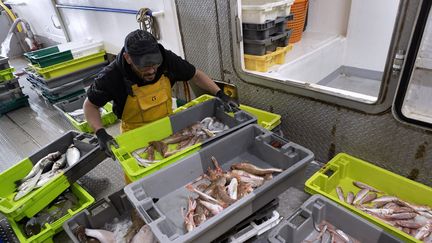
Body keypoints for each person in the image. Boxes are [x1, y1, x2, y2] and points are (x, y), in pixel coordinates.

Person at [84, 29, 237, 159]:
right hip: (136, 134)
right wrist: (100, 133)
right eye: (144, 66)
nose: (151, 70)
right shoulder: (111, 75)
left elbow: (196, 75)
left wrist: (220, 94)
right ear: (128, 58)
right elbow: (90, 105)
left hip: (170, 126)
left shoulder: (166, 58)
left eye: (155, 64)